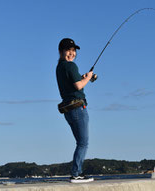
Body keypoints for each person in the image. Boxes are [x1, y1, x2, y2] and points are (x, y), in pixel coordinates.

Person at [56, 38, 94, 183]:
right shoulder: (70, 66)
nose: (71, 53)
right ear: (61, 51)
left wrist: (83, 78)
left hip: (68, 110)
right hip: (78, 108)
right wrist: (89, 77)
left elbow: (73, 84)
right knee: (83, 143)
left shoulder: (60, 67)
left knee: (80, 142)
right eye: (68, 50)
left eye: (73, 51)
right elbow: (78, 87)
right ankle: (76, 173)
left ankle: (77, 172)